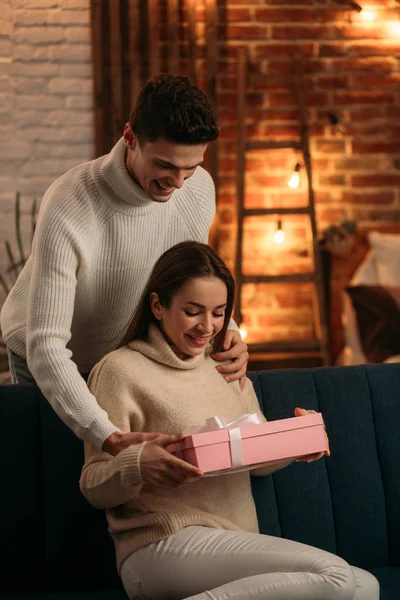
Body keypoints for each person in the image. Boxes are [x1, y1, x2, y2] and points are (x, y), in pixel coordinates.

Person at [80, 241, 379, 600]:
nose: (207, 326)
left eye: (219, 312)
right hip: (161, 545)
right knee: (335, 576)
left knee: (364, 586)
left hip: (234, 542)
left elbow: (256, 464)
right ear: (158, 306)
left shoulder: (227, 365)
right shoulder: (119, 371)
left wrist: (297, 441)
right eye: (193, 311)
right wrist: (138, 464)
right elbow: (93, 485)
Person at [0, 74, 248, 456]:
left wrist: (230, 331)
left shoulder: (197, 190)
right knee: (56, 479)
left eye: (191, 168)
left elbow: (191, 278)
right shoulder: (70, 202)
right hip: (46, 356)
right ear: (130, 137)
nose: (178, 183)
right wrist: (106, 434)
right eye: (166, 165)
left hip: (121, 360)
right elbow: (46, 345)